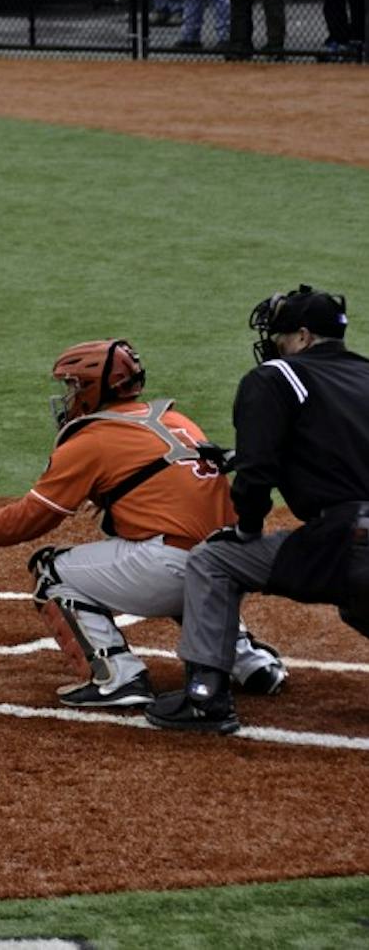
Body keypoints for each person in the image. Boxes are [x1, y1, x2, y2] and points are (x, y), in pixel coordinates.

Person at [0, 339, 287, 710]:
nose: (68, 396)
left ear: (94, 388)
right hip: (232, 565)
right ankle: (250, 661)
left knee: (52, 570)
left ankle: (118, 676)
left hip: (176, 567)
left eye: (73, 386)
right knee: (188, 556)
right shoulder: (176, 421)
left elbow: (29, 520)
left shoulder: (92, 440)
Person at [147, 286, 369, 735]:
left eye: (282, 334)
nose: (275, 343)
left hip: (348, 542)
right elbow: (338, 450)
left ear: (304, 336)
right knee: (358, 601)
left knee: (214, 560)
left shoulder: (274, 377)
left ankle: (205, 696)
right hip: (355, 540)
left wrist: (246, 526)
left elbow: (257, 474)